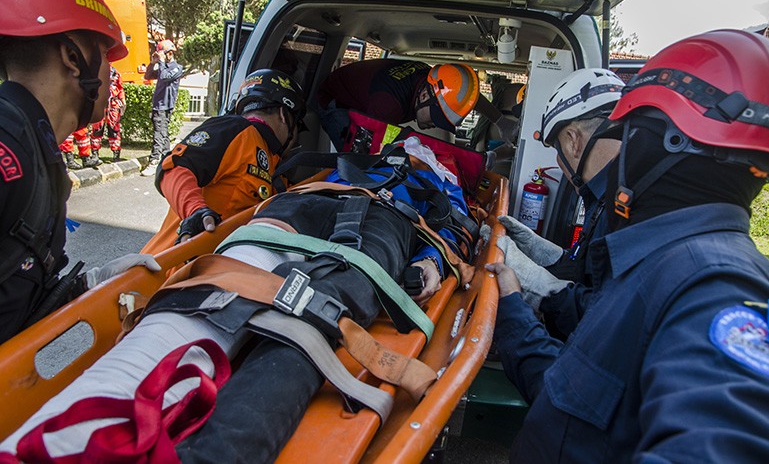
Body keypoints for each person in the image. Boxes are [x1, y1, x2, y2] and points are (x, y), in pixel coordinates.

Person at [1, 142, 473, 462]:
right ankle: (61, 439)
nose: (420, 148)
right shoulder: (358, 157)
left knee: (313, 317)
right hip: (308, 201)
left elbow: (455, 228)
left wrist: (430, 263)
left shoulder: (444, 180)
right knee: (222, 282)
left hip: (387, 222)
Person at [491, 30, 769, 461]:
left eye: (628, 129)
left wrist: (518, 312)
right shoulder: (661, 259)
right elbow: (581, 395)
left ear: (669, 143)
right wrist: (524, 302)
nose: (620, 146)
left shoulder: (720, 292)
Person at [0, 0, 161, 344]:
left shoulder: (32, 146)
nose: (111, 74)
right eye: (106, 57)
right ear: (74, 58)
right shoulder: (9, 147)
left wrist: (84, 289)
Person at [498, 68, 625, 340]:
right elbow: (591, 273)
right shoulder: (610, 195)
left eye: (557, 150)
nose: (559, 161)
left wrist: (543, 289)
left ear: (572, 140)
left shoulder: (625, 209)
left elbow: (611, 323)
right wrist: (542, 251)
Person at [140, 68, 306, 255]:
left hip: (212, 273)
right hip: (167, 269)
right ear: (284, 115)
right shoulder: (236, 130)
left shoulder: (273, 164)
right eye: (298, 127)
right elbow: (174, 168)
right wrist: (196, 211)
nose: (295, 141)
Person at [319, 59, 514, 150]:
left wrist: (501, 121)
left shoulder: (430, 80)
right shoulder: (388, 105)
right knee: (356, 162)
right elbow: (369, 153)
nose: (434, 125)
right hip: (336, 102)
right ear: (423, 97)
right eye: (437, 118)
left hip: (371, 99)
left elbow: (468, 96)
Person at [141, 39, 183, 176]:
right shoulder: (162, 67)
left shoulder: (176, 68)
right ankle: (167, 161)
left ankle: (153, 162)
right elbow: (147, 76)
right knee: (163, 133)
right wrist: (152, 63)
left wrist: (161, 62)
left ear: (169, 54)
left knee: (159, 133)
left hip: (165, 106)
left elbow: (165, 77)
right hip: (158, 104)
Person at [91, 66, 125, 162]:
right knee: (97, 129)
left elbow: (120, 88)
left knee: (114, 129)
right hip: (99, 104)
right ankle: (95, 153)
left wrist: (123, 101)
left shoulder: (116, 73)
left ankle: (116, 154)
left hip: (113, 105)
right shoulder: (95, 71)